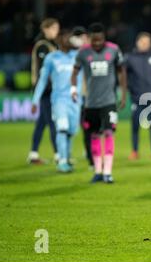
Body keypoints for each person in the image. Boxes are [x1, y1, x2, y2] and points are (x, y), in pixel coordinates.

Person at [71, 23, 127, 184]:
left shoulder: (114, 50)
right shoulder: (83, 53)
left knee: (109, 133)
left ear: (104, 38)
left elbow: (121, 71)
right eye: (94, 40)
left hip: (108, 101)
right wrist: (73, 89)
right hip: (91, 103)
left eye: (99, 40)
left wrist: (123, 94)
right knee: (94, 135)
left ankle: (108, 172)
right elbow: (74, 72)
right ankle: (98, 171)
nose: (97, 43)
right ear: (90, 39)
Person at [32, 29, 81, 173]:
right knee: (62, 128)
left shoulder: (78, 57)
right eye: (64, 38)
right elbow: (42, 80)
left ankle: (67, 156)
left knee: (72, 131)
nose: (67, 41)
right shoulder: (51, 58)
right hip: (59, 100)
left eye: (69, 38)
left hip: (75, 101)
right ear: (59, 42)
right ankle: (62, 160)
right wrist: (35, 100)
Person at [125, 32, 151, 160]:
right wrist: (132, 91)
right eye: (143, 42)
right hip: (137, 98)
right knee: (135, 125)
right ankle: (135, 151)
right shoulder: (130, 58)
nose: (145, 45)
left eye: (147, 42)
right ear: (138, 42)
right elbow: (125, 77)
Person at [27, 18, 59, 165]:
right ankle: (59, 154)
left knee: (42, 122)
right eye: (53, 28)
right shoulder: (42, 46)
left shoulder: (52, 45)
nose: (56, 31)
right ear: (46, 29)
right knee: (53, 122)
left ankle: (33, 153)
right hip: (47, 90)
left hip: (51, 90)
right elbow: (43, 72)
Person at [71, 26, 94, 168]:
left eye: (86, 38)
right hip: (81, 96)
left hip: (92, 96)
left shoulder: (94, 54)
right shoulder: (76, 55)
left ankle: (92, 154)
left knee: (93, 129)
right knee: (82, 128)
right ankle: (88, 154)